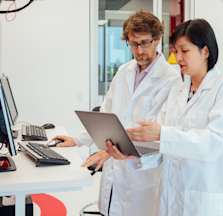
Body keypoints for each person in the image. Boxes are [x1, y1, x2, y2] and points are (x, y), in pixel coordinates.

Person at [108, 19, 223, 216]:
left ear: (205, 51)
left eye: (184, 51)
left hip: (204, 195)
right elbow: (164, 147)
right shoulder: (179, 90)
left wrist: (162, 133)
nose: (178, 57)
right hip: (172, 194)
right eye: (175, 51)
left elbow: (213, 143)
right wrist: (133, 157)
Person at [53, 11, 179, 216]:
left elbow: (156, 133)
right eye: (133, 44)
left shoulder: (171, 80)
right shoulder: (124, 71)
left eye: (144, 43)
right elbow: (106, 115)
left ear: (157, 40)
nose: (138, 50)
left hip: (143, 175)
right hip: (115, 170)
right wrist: (77, 140)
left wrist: (108, 151)